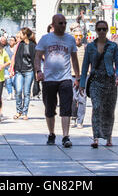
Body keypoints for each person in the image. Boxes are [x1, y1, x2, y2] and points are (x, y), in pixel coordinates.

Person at [34, 14, 80, 148]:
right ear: (53, 24)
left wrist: (77, 77)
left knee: (66, 108)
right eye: (60, 23)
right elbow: (37, 57)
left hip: (65, 78)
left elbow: (74, 59)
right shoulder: (46, 39)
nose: (63, 25)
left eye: (64, 23)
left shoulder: (70, 39)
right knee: (49, 108)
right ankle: (51, 133)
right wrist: (38, 71)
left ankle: (66, 136)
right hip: (49, 79)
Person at [80, 20, 118, 148]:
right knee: (97, 107)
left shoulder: (113, 46)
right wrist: (82, 83)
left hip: (109, 80)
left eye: (104, 29)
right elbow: (85, 65)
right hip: (95, 81)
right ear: (96, 31)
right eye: (99, 29)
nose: (102, 32)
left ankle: (108, 137)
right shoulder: (90, 47)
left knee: (109, 110)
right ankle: (96, 137)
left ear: (107, 30)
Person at [11, 28, 36, 120]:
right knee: (18, 91)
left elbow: (35, 59)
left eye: (21, 33)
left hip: (29, 71)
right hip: (19, 71)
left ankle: (25, 112)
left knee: (26, 92)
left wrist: (37, 71)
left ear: (25, 35)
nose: (19, 35)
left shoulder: (33, 45)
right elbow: (15, 57)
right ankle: (19, 111)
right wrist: (13, 69)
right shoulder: (19, 45)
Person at [70, 28, 86, 129]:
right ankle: (73, 117)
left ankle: (80, 120)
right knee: (73, 97)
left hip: (84, 76)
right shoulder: (70, 48)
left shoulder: (85, 48)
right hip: (71, 75)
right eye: (76, 36)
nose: (78, 38)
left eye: (80, 36)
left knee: (82, 98)